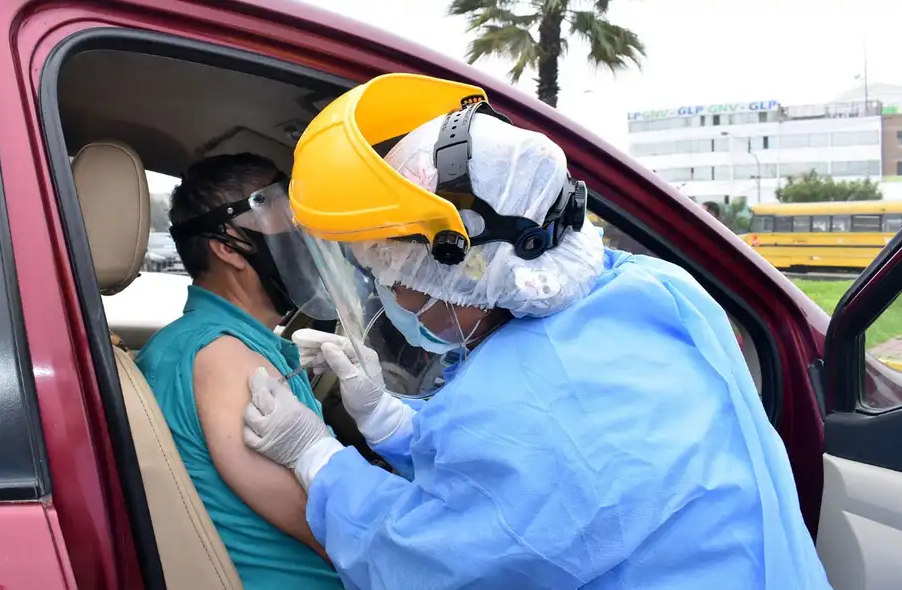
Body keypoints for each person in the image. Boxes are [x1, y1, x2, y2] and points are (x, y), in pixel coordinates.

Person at [240, 74, 832, 589]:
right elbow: (514, 468)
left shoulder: (522, 400)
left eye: (384, 272)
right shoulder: (655, 290)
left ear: (454, 266)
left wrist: (316, 457)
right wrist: (391, 421)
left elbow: (428, 562)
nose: (386, 295)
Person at [135, 154, 343, 590]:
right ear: (229, 246)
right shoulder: (227, 360)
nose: (302, 232)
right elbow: (338, 531)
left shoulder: (186, 341)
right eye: (286, 218)